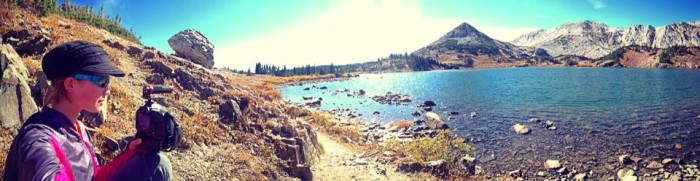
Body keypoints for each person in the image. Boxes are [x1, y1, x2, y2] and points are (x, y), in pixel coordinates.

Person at [3, 40, 172, 181]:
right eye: (102, 81)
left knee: (157, 163)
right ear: (70, 84)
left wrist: (128, 154)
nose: (108, 89)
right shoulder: (38, 139)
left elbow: (94, 177)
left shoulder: (78, 127)